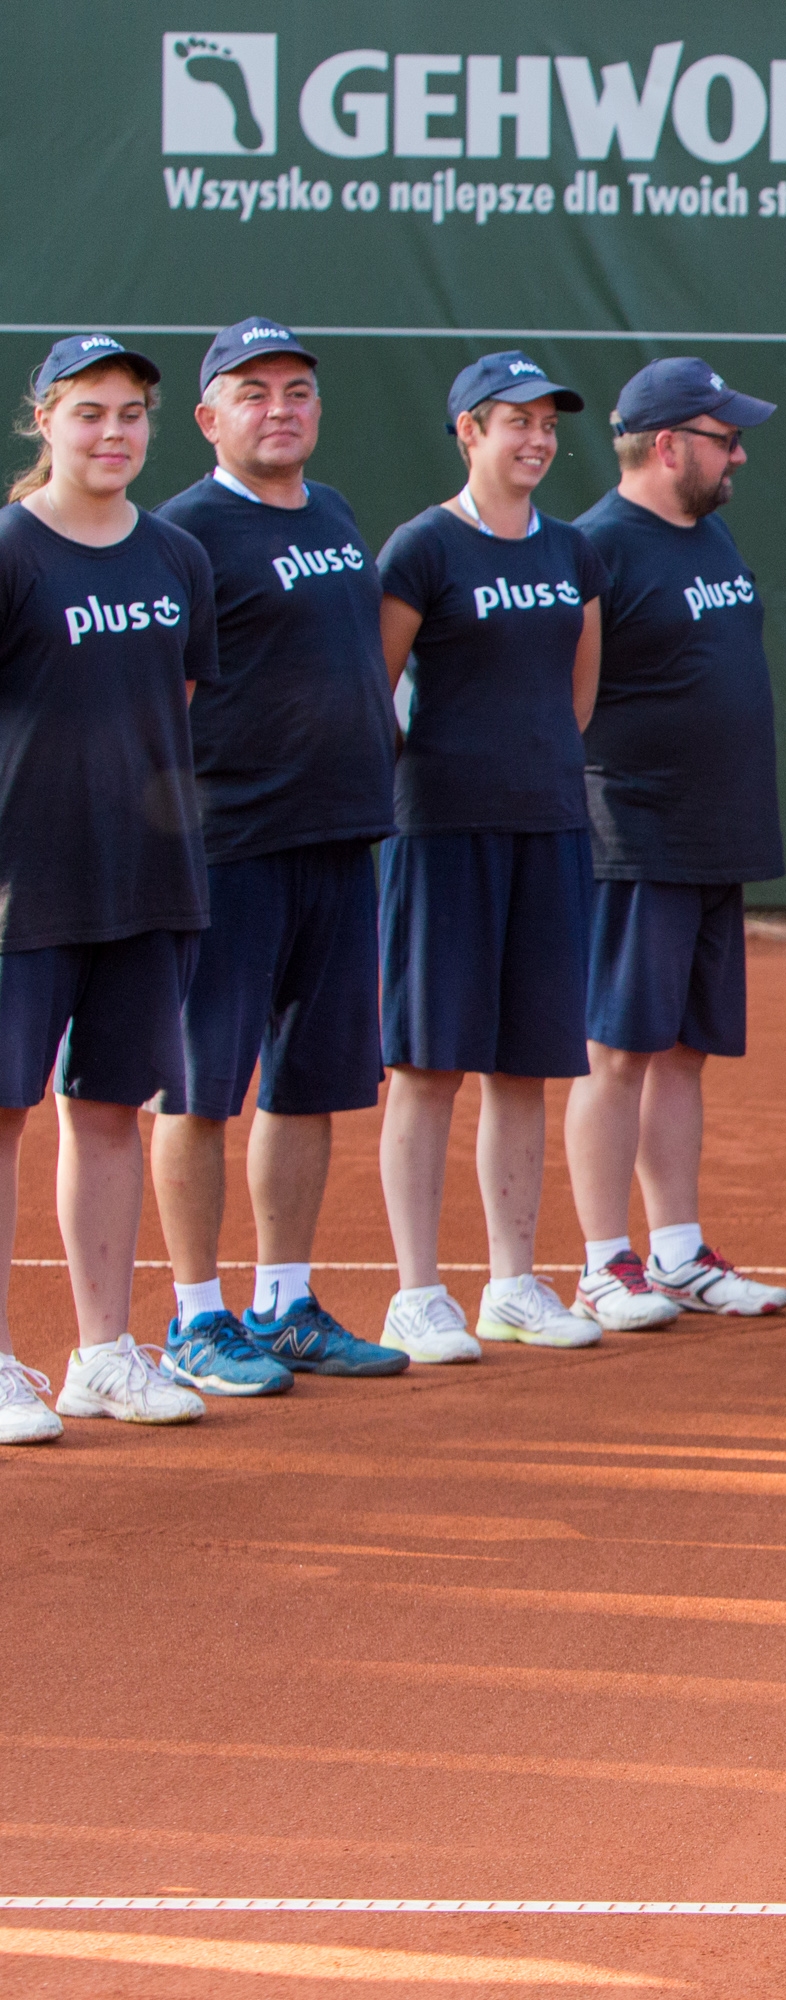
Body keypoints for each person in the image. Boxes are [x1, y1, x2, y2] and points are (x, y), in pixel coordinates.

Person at [150, 318, 405, 1390]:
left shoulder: (338, 513)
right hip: (229, 848)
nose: (281, 407)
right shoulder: (183, 533)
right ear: (209, 418)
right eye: (253, 392)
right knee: (200, 1089)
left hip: (341, 840)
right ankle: (196, 1316)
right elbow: (162, 700)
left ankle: (285, 1299)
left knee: (306, 1086)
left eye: (296, 389)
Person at [0, 335, 218, 1441]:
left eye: (131, 412)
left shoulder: (176, 557)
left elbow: (172, 702)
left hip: (144, 882)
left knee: (110, 1114)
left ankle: (100, 1353)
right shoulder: (9, 550)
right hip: (18, 889)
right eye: (89, 412)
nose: (114, 432)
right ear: (45, 421)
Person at [372, 352, 610, 1358]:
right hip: (441, 835)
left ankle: (512, 1280)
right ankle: (416, 1290)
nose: (535, 438)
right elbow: (375, 691)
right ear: (467, 432)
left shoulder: (572, 551)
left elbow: (579, 695)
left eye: (546, 422)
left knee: (524, 1066)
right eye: (511, 421)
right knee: (428, 1066)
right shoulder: (422, 547)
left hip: (548, 828)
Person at [566, 359, 786, 1327]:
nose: (738, 452)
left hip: (716, 831)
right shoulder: (593, 548)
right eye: (723, 437)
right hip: (636, 833)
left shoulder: (712, 533)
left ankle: (675, 1249)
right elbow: (569, 704)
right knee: (619, 1049)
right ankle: (601, 1260)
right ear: (667, 445)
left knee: (686, 1051)